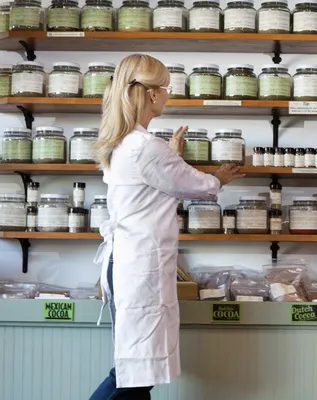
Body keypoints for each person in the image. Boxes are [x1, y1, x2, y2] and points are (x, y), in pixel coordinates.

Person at [89, 54, 243, 399]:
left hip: (126, 262)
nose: (168, 95)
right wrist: (218, 177)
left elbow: (159, 179)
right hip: (139, 266)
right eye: (166, 88)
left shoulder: (126, 143)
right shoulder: (147, 148)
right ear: (151, 94)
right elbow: (194, 185)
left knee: (138, 368)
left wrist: (172, 153)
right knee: (133, 372)